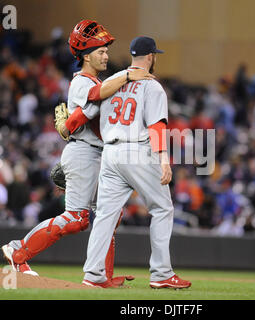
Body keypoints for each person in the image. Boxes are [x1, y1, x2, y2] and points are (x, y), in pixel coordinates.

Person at [0, 20, 153, 285]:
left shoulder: (97, 81)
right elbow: (90, 101)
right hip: (84, 153)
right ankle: (18, 251)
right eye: (101, 51)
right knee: (77, 218)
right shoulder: (83, 82)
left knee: (109, 214)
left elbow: (87, 112)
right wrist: (126, 75)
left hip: (95, 154)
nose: (106, 55)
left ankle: (100, 275)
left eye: (106, 51)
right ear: (85, 55)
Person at [82, 36, 191, 289]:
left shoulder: (111, 81)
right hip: (137, 151)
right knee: (162, 208)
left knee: (105, 216)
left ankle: (93, 274)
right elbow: (156, 126)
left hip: (111, 153)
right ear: (151, 57)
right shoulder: (152, 86)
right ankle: (162, 273)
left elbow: (92, 111)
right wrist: (164, 159)